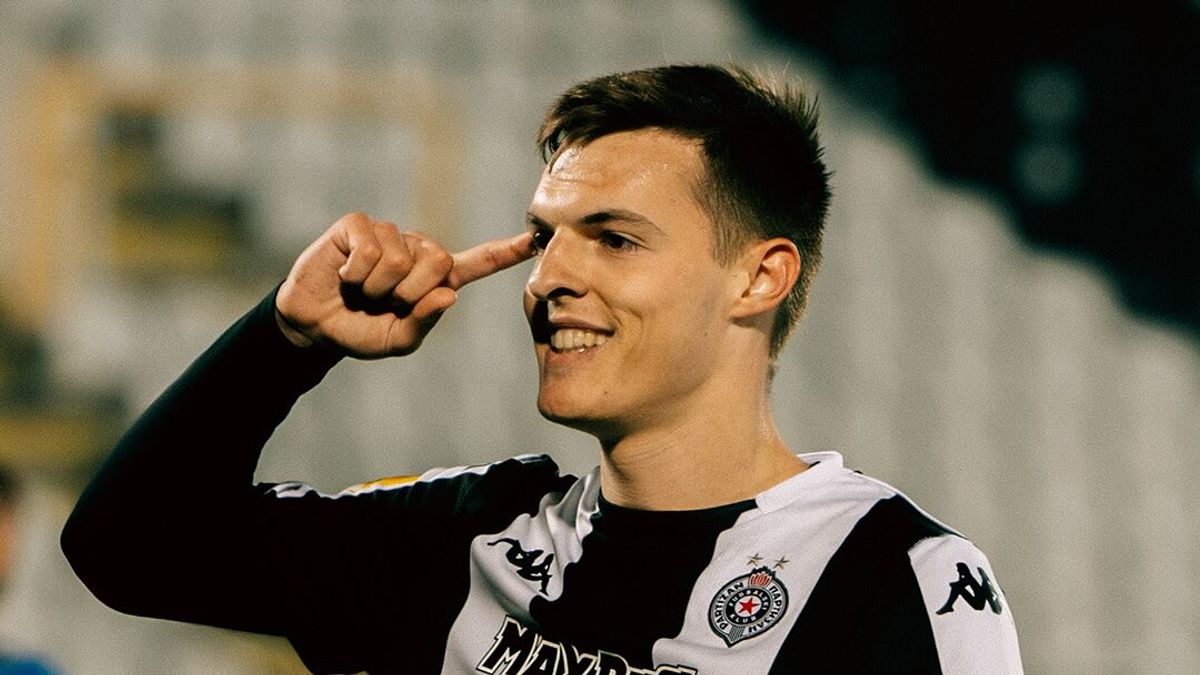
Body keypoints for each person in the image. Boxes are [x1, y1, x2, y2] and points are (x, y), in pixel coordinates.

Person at [61, 65, 1023, 674]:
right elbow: (128, 550)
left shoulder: (893, 577)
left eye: (614, 238)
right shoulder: (469, 538)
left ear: (759, 276)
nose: (550, 277)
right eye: (544, 238)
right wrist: (287, 337)